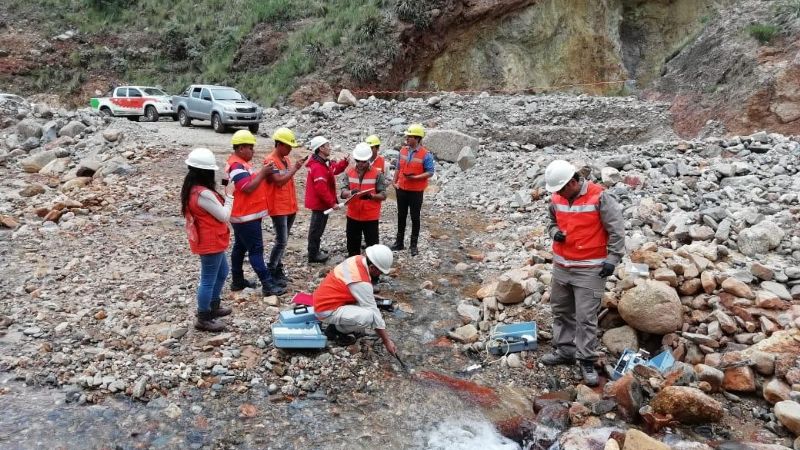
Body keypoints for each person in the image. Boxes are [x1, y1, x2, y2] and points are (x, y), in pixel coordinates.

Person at [540, 159, 626, 387]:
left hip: (589, 269)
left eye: (561, 188)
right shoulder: (558, 197)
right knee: (561, 310)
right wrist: (554, 231)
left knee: (586, 318)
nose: (558, 193)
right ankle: (565, 351)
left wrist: (612, 259)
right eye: (556, 190)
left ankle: (586, 359)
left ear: (573, 181)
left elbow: (616, 230)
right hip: (562, 267)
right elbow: (550, 221)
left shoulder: (600, 196)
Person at [226, 130, 286, 296]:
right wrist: (264, 172)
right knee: (255, 249)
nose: (253, 151)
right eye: (250, 148)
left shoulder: (239, 163)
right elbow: (247, 187)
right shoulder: (236, 166)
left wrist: (261, 172)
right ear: (241, 148)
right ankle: (267, 284)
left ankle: (237, 280)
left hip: (244, 215)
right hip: (245, 217)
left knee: (240, 247)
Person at [181, 148, 233, 332]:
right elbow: (224, 216)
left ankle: (213, 305)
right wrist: (230, 196)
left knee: (222, 271)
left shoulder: (192, 189)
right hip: (210, 241)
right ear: (206, 172)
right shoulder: (203, 194)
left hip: (209, 239)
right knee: (208, 279)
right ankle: (203, 316)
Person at [312, 244, 398, 355]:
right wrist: (387, 341)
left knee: (366, 307)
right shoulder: (361, 282)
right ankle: (335, 331)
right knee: (369, 316)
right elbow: (374, 315)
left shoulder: (357, 259)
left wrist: (371, 296)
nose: (380, 274)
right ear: (372, 267)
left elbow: (350, 286)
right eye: (380, 271)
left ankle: (340, 325)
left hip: (324, 300)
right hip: (325, 310)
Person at [264, 127, 304, 288]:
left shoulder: (285, 160)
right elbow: (279, 181)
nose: (290, 149)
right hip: (278, 208)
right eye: (288, 146)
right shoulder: (270, 161)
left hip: (288, 207)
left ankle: (278, 269)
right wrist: (295, 168)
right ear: (279, 144)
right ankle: (272, 271)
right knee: (281, 241)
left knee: (283, 241)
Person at [390, 123, 434, 256]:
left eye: (410, 136)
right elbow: (398, 167)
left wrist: (416, 178)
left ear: (417, 138)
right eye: (407, 136)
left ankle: (413, 246)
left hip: (416, 191)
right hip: (401, 189)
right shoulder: (403, 150)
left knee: (415, 217)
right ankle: (399, 242)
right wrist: (394, 181)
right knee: (401, 216)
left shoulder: (426, 154)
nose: (407, 138)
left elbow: (430, 172)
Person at [340, 143, 387, 266]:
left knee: (373, 247)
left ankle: (373, 273)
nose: (360, 164)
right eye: (358, 161)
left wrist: (372, 196)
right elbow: (342, 192)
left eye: (363, 161)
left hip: (370, 217)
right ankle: (354, 271)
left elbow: (383, 195)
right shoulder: (349, 172)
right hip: (353, 216)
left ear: (368, 160)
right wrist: (350, 192)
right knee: (352, 246)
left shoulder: (378, 174)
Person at [305, 136, 349, 263]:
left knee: (318, 227)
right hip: (320, 204)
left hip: (322, 204)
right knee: (316, 228)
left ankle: (314, 251)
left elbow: (333, 170)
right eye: (327, 145)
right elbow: (321, 189)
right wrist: (332, 203)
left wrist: (344, 163)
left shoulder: (323, 163)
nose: (329, 147)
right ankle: (313, 254)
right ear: (320, 148)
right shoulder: (318, 167)